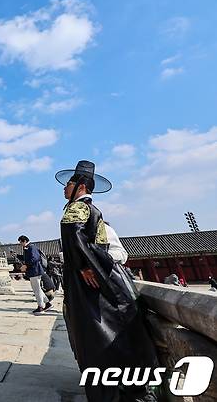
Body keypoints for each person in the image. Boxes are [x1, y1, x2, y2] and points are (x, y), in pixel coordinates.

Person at [56, 160, 158, 402]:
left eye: (68, 184)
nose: (64, 188)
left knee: (99, 334)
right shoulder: (90, 209)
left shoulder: (78, 209)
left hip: (90, 282)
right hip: (100, 277)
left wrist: (85, 267)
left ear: (80, 186)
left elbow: (77, 240)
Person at [18, 235, 52, 313]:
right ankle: (47, 304)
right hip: (33, 271)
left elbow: (35, 258)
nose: (21, 244)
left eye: (21, 242)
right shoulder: (28, 248)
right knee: (38, 289)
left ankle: (40, 307)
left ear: (24, 241)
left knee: (37, 290)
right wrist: (17, 255)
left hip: (35, 271)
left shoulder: (31, 247)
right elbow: (27, 258)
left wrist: (26, 265)